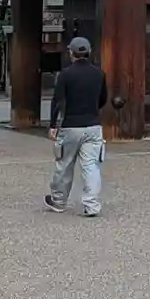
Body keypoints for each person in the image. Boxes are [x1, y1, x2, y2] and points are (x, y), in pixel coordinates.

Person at [45, 37, 109, 218]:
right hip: (93, 125)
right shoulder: (99, 74)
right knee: (91, 165)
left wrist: (53, 125)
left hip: (70, 125)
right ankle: (91, 205)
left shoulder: (65, 74)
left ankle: (59, 201)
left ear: (71, 53)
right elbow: (103, 98)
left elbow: (58, 101)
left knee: (64, 164)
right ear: (89, 52)